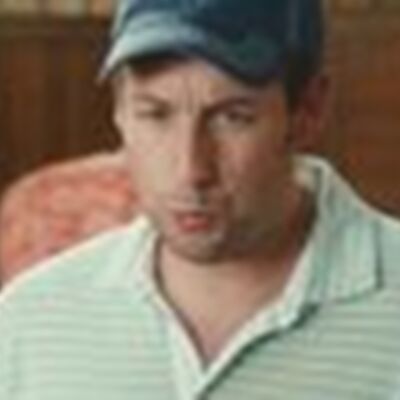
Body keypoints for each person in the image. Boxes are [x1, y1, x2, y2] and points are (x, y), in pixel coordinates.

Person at [1, 0, 400, 399]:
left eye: (233, 117)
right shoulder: (31, 320)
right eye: (156, 114)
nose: (191, 170)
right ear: (119, 111)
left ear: (308, 111)